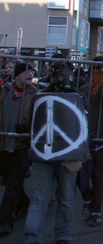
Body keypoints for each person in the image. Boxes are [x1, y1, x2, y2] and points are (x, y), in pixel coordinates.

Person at [24, 60, 85, 244]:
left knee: (66, 198)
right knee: (39, 198)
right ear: (52, 75)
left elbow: (82, 124)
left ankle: (62, 235)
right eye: (60, 75)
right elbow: (32, 122)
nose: (64, 79)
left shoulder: (78, 97)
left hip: (68, 156)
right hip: (44, 154)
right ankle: (32, 237)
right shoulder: (40, 96)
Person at [79, 56, 103, 227]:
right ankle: (87, 199)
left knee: (97, 175)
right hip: (85, 138)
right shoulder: (84, 89)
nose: (99, 72)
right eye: (98, 69)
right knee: (81, 177)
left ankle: (96, 211)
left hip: (101, 136)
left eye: (102, 69)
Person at [0, 62, 35, 237]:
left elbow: (40, 120)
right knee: (9, 180)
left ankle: (4, 221)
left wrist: (28, 129)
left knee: (13, 183)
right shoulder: (4, 91)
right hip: (4, 144)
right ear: (17, 75)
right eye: (27, 72)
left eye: (32, 73)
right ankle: (23, 203)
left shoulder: (34, 95)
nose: (30, 75)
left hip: (22, 145)